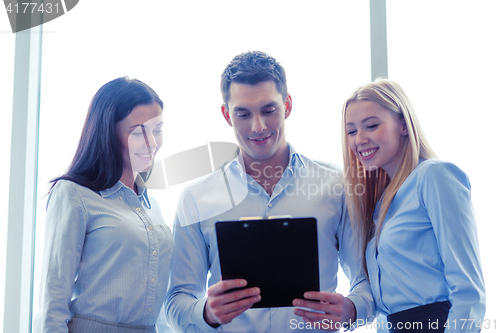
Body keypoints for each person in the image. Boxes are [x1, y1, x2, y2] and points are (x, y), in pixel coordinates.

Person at [165, 51, 375, 332]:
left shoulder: (338, 185)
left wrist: (351, 309)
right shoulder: (196, 198)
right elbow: (176, 302)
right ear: (227, 114)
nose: (258, 127)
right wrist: (206, 312)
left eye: (268, 110)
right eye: (243, 114)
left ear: (287, 106)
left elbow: (367, 283)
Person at [342, 78, 486, 332]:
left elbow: (469, 293)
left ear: (403, 125)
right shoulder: (380, 202)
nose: (359, 139)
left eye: (371, 126)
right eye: (352, 131)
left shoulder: (435, 176)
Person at [34, 77, 174, 333]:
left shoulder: (153, 206)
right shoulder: (74, 194)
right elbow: (53, 303)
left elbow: (160, 305)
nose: (152, 143)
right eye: (138, 131)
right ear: (108, 132)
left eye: (157, 129)